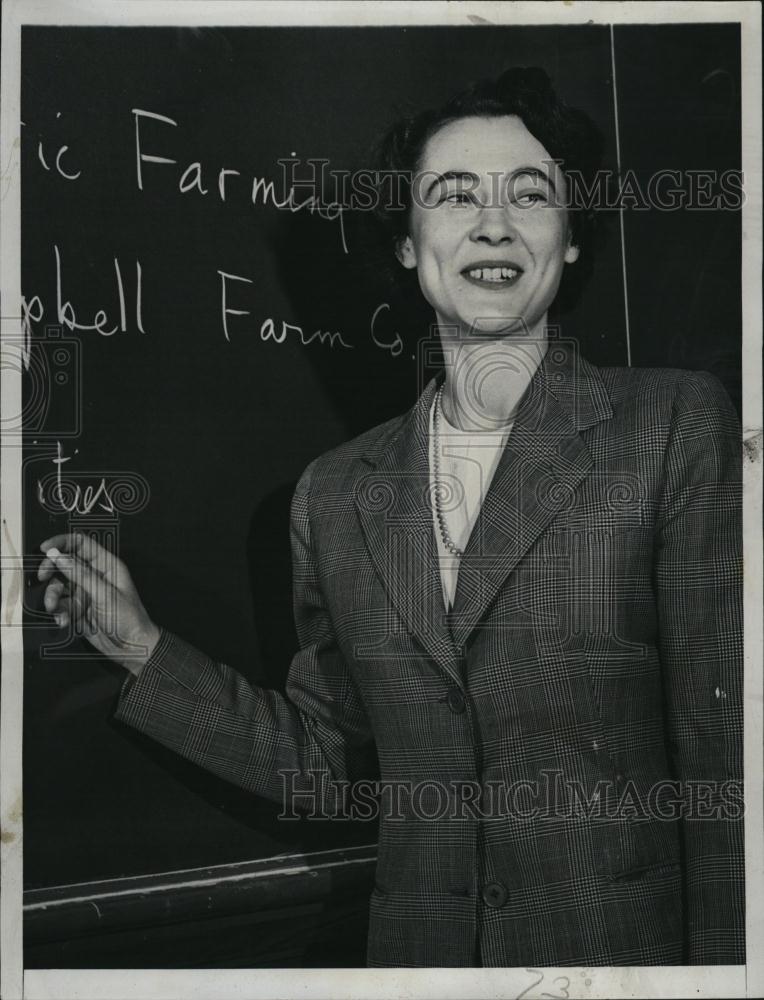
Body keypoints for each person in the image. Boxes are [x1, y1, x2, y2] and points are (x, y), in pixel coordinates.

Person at [37, 68, 744, 968]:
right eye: (454, 197)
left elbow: (730, 766)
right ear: (411, 246)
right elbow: (333, 762)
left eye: (530, 194)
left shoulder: (671, 427)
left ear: (569, 240)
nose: (494, 223)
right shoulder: (335, 494)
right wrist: (141, 647)